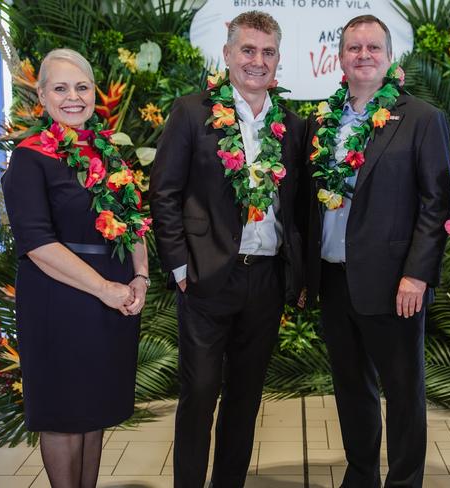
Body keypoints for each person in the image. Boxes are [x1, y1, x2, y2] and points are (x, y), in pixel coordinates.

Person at [150, 10, 305, 488]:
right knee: (198, 394)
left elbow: (297, 208)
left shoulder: (292, 125)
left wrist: (295, 277)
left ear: (278, 58)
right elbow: (164, 192)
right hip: (204, 275)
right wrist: (178, 265)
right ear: (228, 54)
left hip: (264, 280)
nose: (258, 61)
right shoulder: (192, 112)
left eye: (268, 52)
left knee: (246, 397)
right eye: (248, 50)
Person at [305, 15, 450, 488]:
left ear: (390, 59)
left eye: (373, 47)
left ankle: (405, 480)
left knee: (403, 391)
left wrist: (417, 275)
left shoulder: (422, 119)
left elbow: (436, 205)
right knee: (352, 388)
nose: (363, 55)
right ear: (341, 58)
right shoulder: (321, 119)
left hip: (395, 283)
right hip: (333, 276)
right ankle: (362, 473)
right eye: (354, 48)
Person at [1, 48, 149, 488]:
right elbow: (38, 245)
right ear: (42, 96)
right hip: (59, 299)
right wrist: (105, 288)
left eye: (82, 87)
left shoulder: (108, 154)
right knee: (65, 415)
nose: (73, 97)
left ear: (94, 93)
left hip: (114, 298)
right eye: (60, 88)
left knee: (95, 409)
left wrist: (139, 276)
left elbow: (134, 223)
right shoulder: (29, 158)